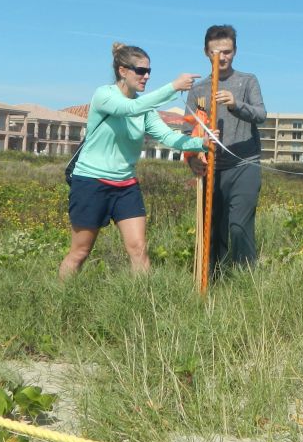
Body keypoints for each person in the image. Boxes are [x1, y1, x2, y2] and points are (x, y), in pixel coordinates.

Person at [59, 42, 206, 280]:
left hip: (126, 185)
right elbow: (130, 107)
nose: (146, 76)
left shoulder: (146, 110)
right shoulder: (104, 95)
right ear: (122, 71)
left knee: (138, 249)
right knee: (81, 251)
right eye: (140, 71)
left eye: (149, 71)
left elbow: (167, 136)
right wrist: (173, 87)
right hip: (90, 182)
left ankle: (143, 304)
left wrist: (200, 143)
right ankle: (60, 300)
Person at [184, 25, 266, 273]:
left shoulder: (247, 81)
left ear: (235, 51)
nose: (222, 57)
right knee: (212, 229)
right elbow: (188, 133)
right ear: (206, 52)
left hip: (245, 165)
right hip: (212, 169)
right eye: (216, 52)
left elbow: (261, 115)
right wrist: (192, 159)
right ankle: (215, 282)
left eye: (227, 52)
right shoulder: (198, 90)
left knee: (238, 228)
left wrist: (235, 104)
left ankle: (246, 279)